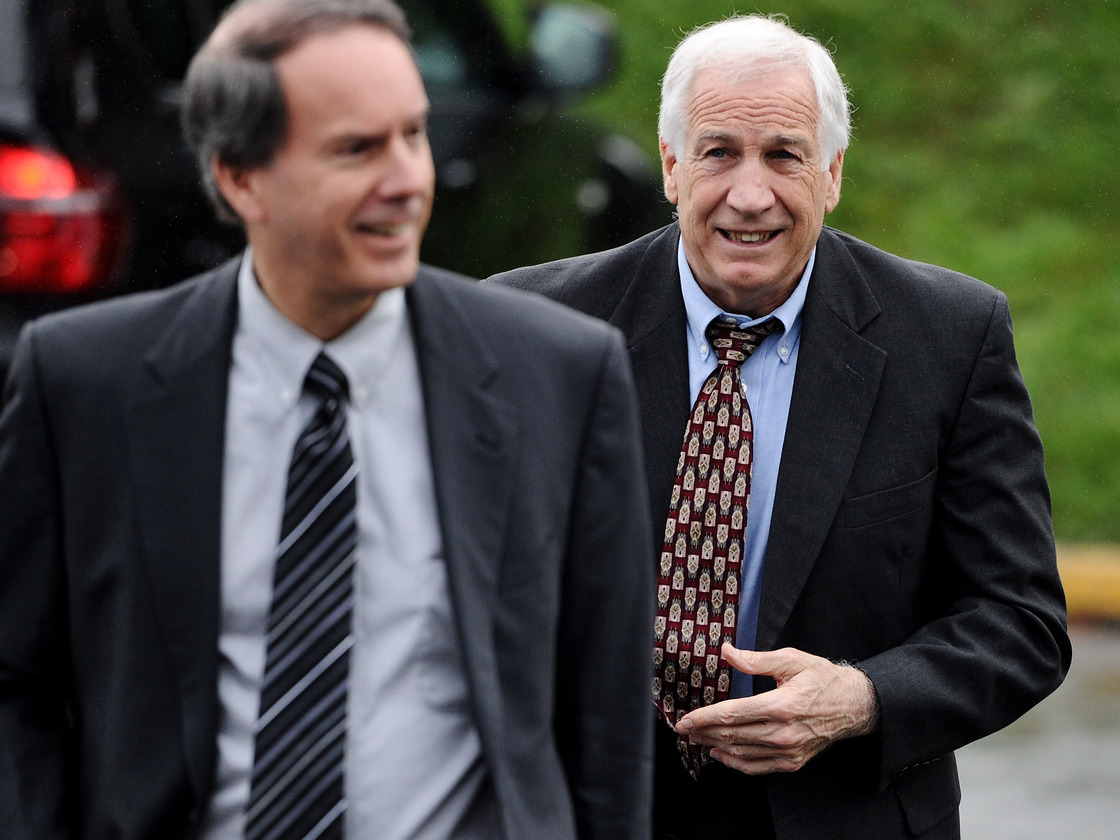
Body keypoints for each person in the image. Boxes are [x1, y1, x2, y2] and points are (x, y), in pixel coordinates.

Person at [0, 1, 655, 838]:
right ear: (240, 177)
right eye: (356, 149)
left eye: (413, 135)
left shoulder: (561, 376)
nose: (408, 181)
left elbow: (608, 719)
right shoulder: (85, 382)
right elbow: (17, 676)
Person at [489, 14, 1070, 840]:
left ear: (832, 174)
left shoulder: (949, 338)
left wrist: (861, 698)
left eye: (785, 156)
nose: (750, 195)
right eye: (719, 152)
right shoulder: (529, 326)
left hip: (843, 816)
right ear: (671, 166)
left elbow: (1020, 621)